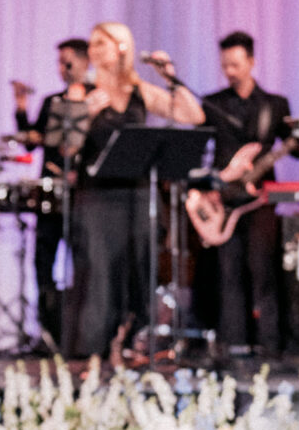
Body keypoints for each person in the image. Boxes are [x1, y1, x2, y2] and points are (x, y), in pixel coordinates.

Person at [66, 22, 205, 359]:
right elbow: (67, 147)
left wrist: (170, 76)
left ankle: (131, 343)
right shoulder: (81, 91)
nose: (94, 49)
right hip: (98, 197)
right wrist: (85, 115)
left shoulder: (140, 91)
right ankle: (94, 353)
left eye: (102, 43)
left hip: (139, 194)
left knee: (141, 269)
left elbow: (193, 114)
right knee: (100, 275)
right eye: (92, 44)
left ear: (122, 48)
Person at [201, 31, 291, 359]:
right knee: (229, 271)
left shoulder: (274, 105)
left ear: (251, 62)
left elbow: (295, 146)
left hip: (261, 198)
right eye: (225, 65)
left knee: (263, 269)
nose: (229, 71)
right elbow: (197, 149)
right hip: (224, 197)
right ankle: (234, 344)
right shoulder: (213, 103)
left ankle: (270, 345)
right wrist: (208, 187)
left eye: (236, 64)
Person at [11, 38, 92, 350]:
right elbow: (33, 140)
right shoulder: (52, 101)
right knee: (43, 262)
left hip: (83, 195)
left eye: (68, 62)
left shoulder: (96, 98)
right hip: (50, 193)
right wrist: (21, 109)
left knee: (83, 265)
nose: (62, 69)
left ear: (85, 63)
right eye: (59, 63)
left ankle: (80, 333)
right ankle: (47, 332)